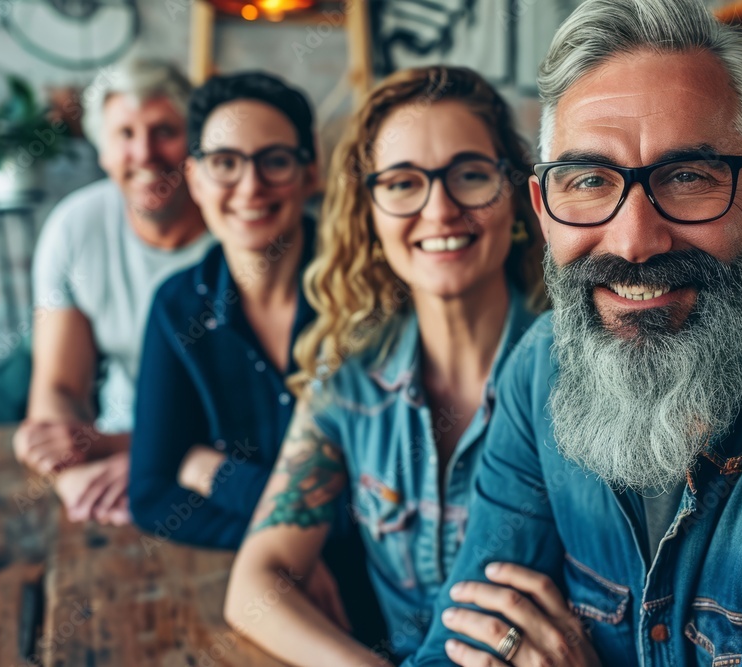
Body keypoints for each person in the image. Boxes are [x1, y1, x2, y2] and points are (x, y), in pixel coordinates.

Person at [406, 1, 742, 666]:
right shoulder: (538, 370)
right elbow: (452, 649)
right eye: (587, 179)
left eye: (689, 176)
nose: (635, 240)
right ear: (544, 212)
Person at [224, 66, 548, 666]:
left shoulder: (574, 375)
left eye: (471, 176)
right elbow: (254, 585)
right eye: (403, 183)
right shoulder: (348, 382)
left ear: (517, 197)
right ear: (369, 214)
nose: (440, 209)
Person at [13, 60, 213, 525]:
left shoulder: (236, 231)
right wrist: (69, 478)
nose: (144, 153)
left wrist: (145, 458)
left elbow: (256, 412)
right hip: (110, 464)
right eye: (125, 134)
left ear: (195, 142)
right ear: (102, 151)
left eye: (165, 130)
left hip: (217, 462)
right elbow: (59, 387)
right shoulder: (74, 228)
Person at [128, 72, 319, 548]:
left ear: (309, 174)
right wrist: (278, 553)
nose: (250, 186)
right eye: (225, 163)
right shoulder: (176, 306)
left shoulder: (361, 294)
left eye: (274, 161)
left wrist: (216, 474)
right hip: (256, 579)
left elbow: (372, 500)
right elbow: (152, 496)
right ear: (194, 179)